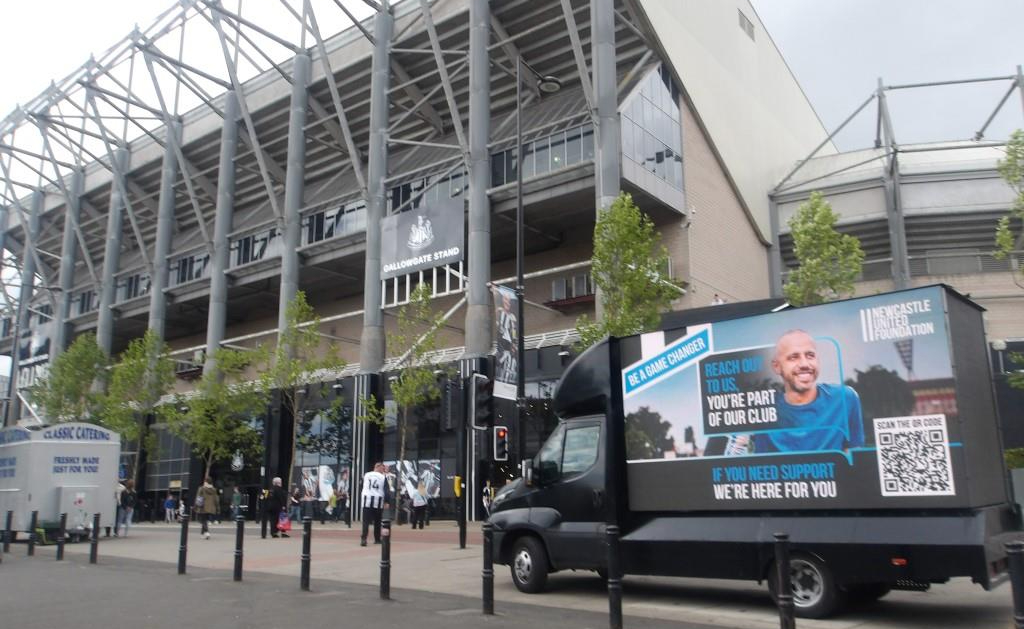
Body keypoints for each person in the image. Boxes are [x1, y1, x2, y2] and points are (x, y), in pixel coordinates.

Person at [752, 330, 865, 453]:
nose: (804, 364)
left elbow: (854, 455)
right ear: (777, 366)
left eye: (810, 355)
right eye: (794, 357)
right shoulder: (761, 408)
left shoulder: (844, 398)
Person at [360, 462, 389, 546]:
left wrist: (364, 493)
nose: (383, 471)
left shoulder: (366, 475)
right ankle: (377, 539)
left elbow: (361, 486)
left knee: (365, 521)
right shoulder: (383, 477)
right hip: (378, 501)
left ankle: (364, 539)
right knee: (377, 521)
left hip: (367, 500)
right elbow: (386, 490)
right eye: (382, 469)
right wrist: (386, 501)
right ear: (378, 467)